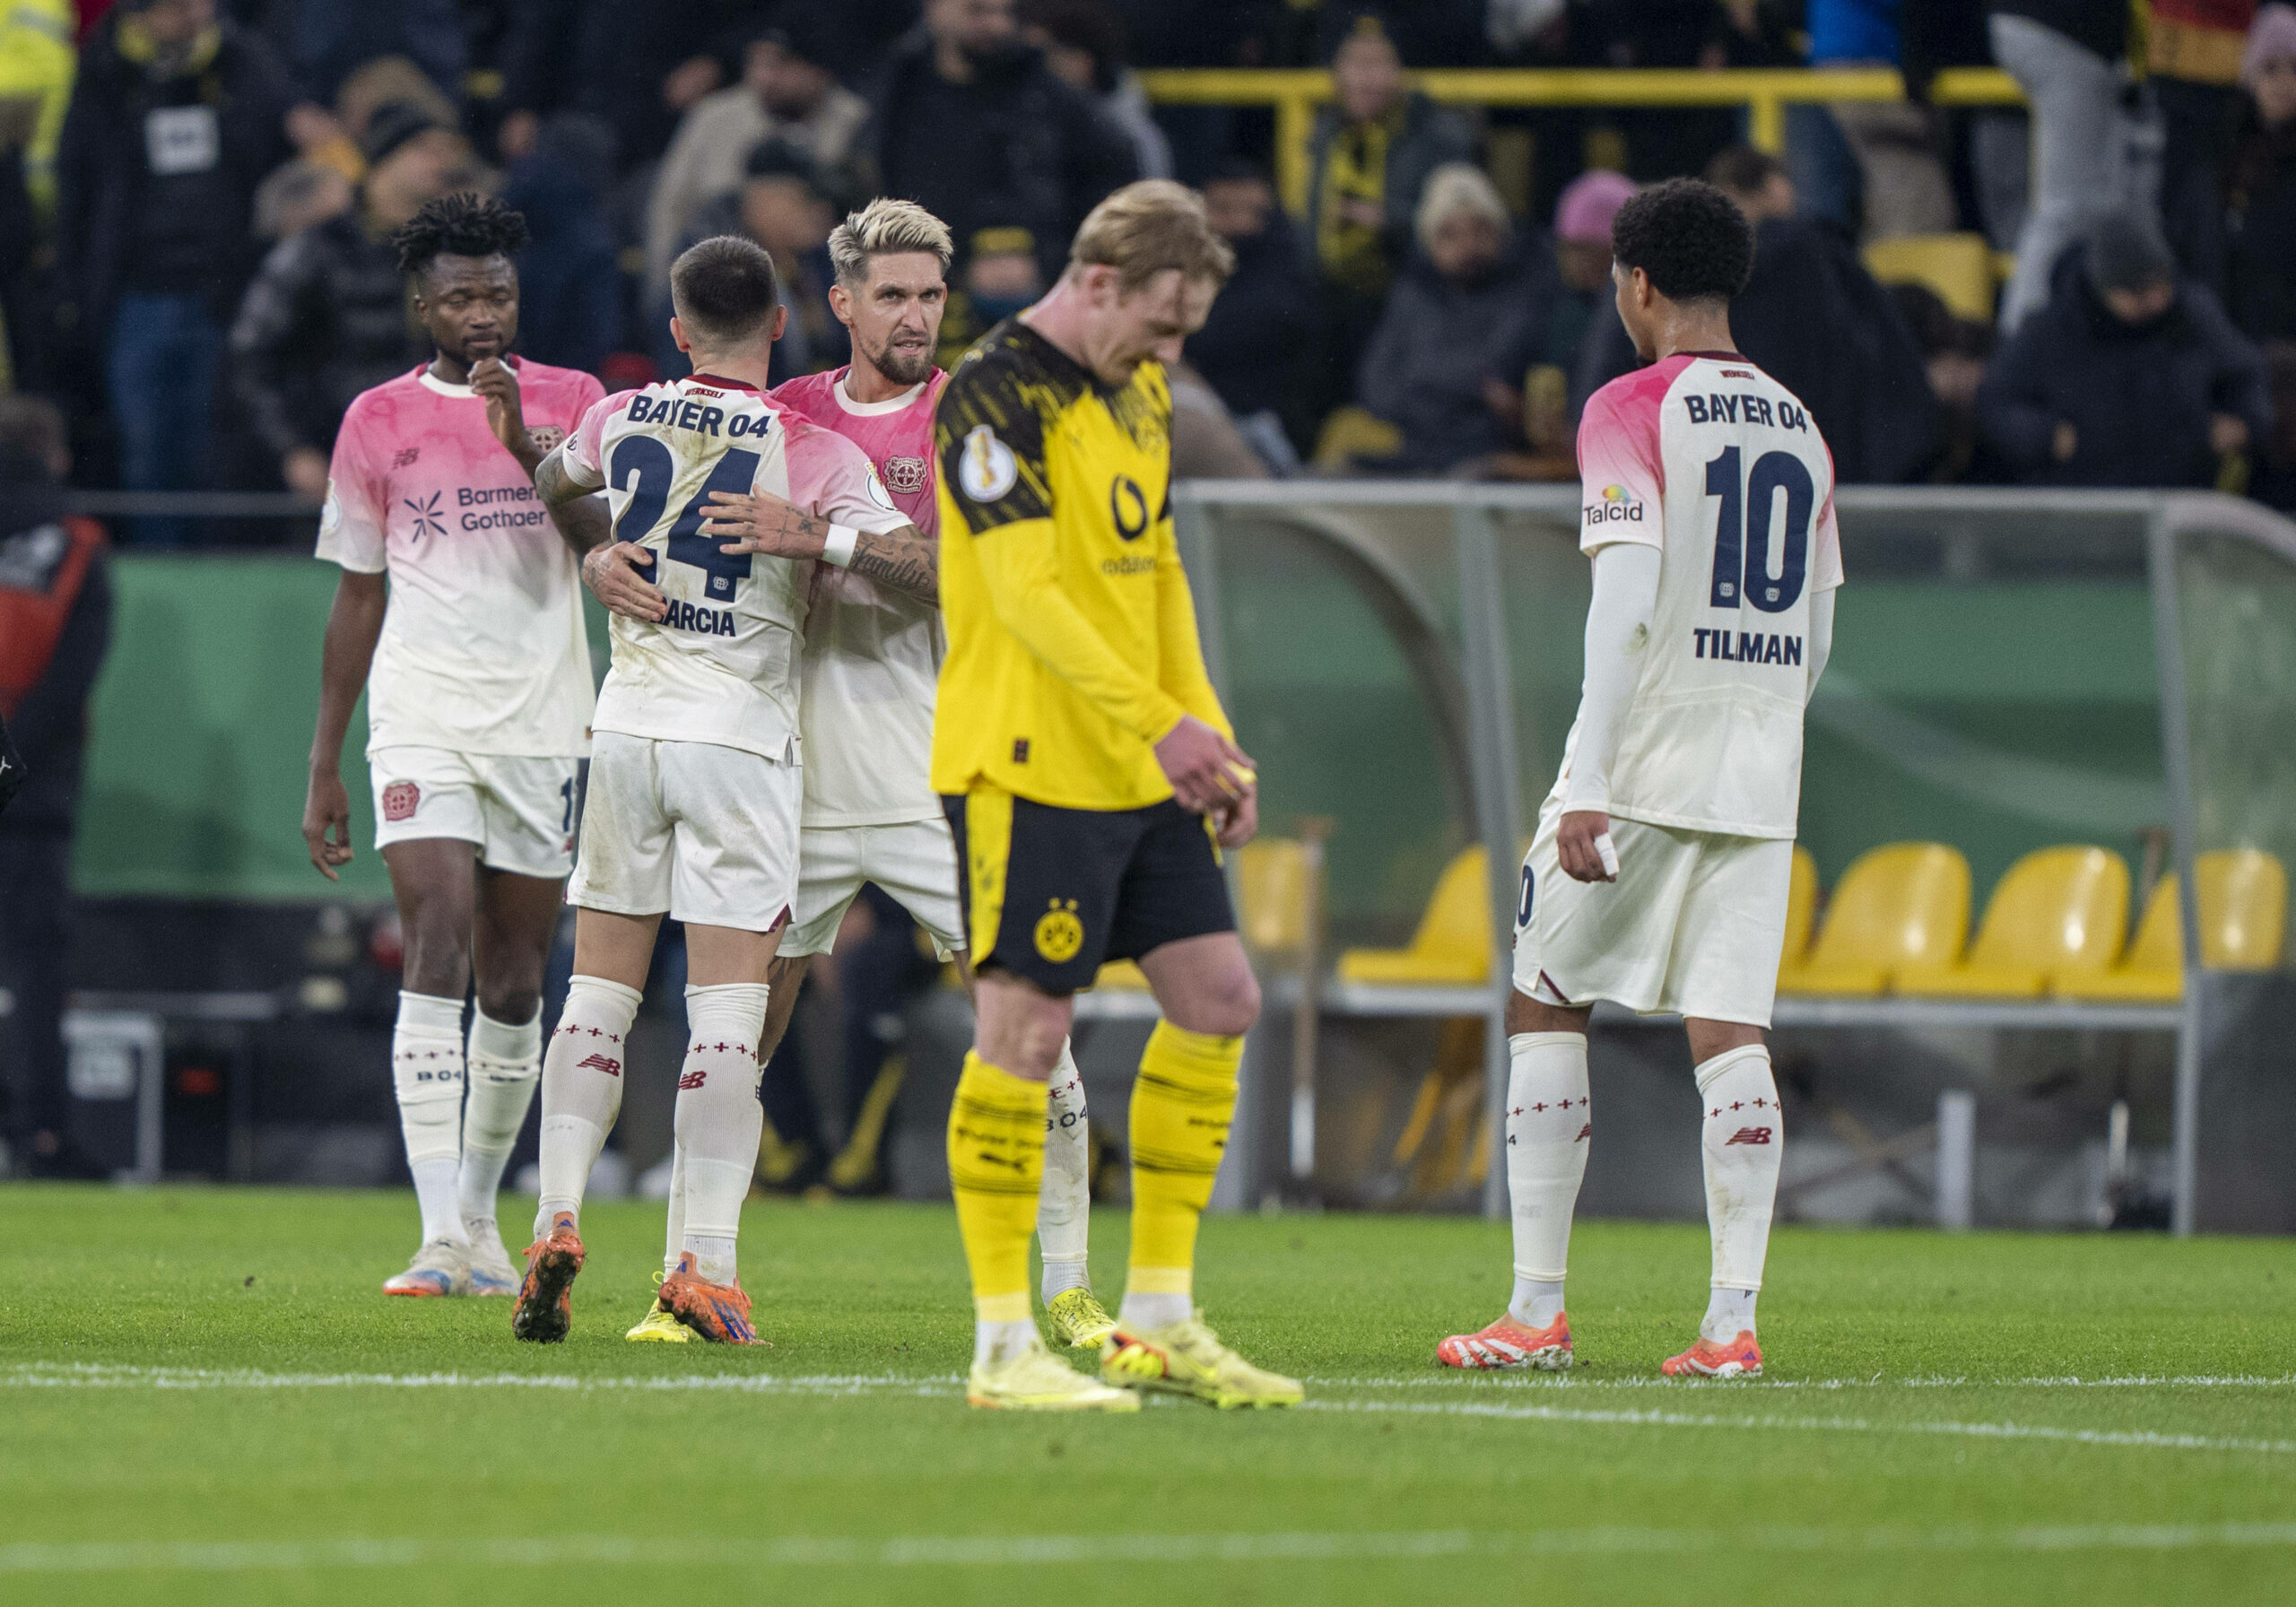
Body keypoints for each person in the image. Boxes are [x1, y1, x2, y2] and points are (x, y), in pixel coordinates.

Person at [587, 198, 1118, 1351]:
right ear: (840, 303)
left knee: (1032, 1029)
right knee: (738, 1034)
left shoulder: (980, 416)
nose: (916, 315)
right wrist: (598, 557)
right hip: (790, 782)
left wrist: (817, 536)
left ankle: (1072, 1287)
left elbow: (978, 577)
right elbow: (644, 521)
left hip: (938, 774)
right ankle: (693, 1278)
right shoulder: (779, 415)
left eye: (931, 295)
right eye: (893, 295)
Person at [1437, 178, 1840, 1380]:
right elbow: (1818, 630)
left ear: (1640, 284)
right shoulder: (1800, 424)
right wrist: (1758, 730)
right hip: (1759, 769)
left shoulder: (1628, 406)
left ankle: (1536, 1311)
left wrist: (1590, 778)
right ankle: (1730, 1326)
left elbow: (1621, 605)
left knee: (1546, 992)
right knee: (1731, 1032)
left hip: (1645, 761)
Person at [931, 179, 1296, 1411]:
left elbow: (1158, 568)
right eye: (1160, 322)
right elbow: (1026, 594)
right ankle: (1002, 1348)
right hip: (1027, 763)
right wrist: (1161, 723)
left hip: (1140, 769)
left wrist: (1209, 735)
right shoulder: (992, 395)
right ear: (1096, 284)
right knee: (1026, 1035)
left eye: (1185, 329)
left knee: (1220, 999)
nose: (1170, 351)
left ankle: (1159, 1316)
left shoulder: (1138, 389)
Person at [517, 235, 917, 1346]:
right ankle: (705, 1262)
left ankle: (554, 1220)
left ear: (677, 328)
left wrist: (597, 554)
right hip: (739, 739)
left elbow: (551, 482)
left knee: (597, 994)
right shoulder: (813, 447)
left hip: (627, 728)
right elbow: (918, 570)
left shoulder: (617, 417)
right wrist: (829, 538)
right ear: (781, 325)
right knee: (730, 1010)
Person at [300, 194, 609, 1298]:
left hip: (543, 725)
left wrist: (526, 442)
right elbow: (358, 593)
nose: (483, 314)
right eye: (461, 297)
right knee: (434, 940)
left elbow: (603, 546)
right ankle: (436, 1234)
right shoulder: (375, 419)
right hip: (422, 716)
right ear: (421, 306)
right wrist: (325, 761)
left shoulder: (575, 402)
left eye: (499, 295)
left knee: (516, 980)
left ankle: (480, 1222)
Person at [57, 0, 301, 543]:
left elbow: (274, 158)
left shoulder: (245, 64)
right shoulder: (105, 70)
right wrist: (76, 288)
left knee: (212, 446)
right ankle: (159, 562)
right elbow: (78, 184)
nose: (193, 14)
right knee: (145, 446)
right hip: (134, 297)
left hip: (226, 294)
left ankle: (212, 565)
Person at [231, 100, 463, 499]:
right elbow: (252, 355)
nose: (441, 163)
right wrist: (293, 450)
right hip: (337, 464)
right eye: (424, 149)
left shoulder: (455, 255)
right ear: (385, 160)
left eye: (445, 151)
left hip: (435, 472)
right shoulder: (319, 249)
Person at [0, 395, 111, 1180]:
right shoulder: (78, 548)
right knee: (36, 970)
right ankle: (40, 1134)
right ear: (58, 457)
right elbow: (68, 686)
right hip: (34, 801)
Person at [1976, 210, 2272, 488]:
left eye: (2162, 284)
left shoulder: (2193, 313)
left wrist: (2243, 421)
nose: (2156, 299)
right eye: (2138, 292)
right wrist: (2044, 436)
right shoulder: (2051, 329)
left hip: (2183, 494)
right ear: (2105, 289)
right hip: (2083, 499)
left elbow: (2246, 373)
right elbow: (1997, 400)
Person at [859, 0, 1138, 292]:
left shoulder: (1046, 96)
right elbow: (868, 185)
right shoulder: (897, 95)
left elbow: (1114, 177)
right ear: (936, 9)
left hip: (1038, 291)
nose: (997, 25)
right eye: (977, 10)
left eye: (1006, 12)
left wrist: (1056, 263)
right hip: (919, 287)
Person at [1304, 7, 1472, 418]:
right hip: (1333, 296)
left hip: (1408, 291)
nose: (1367, 79)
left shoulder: (1439, 135)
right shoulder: (1325, 135)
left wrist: (1387, 222)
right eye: (1355, 63)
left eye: (1379, 63)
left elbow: (1460, 232)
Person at [643, 17, 870, 310]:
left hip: (825, 290)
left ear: (818, 71)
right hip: (719, 289)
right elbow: (671, 208)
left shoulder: (854, 122)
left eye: (780, 65)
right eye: (756, 64)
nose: (765, 78)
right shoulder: (714, 118)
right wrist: (662, 294)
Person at [1354, 162, 1544, 472]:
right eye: (1449, 234)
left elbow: (1499, 370)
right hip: (1410, 444)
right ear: (1428, 242)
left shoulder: (1524, 293)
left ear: (1501, 233)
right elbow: (1376, 383)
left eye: (1480, 230)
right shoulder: (1411, 295)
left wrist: (1428, 385)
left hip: (1489, 454)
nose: (1467, 246)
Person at [1989, 1, 2138, 331]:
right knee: (2065, 209)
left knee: (2085, 205)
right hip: (2064, 31)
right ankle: (2020, 337)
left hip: (2034, 27)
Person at [1485, 169, 1634, 476]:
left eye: (1588, 249)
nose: (1574, 261)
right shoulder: (1552, 302)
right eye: (1568, 247)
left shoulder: (1636, 316)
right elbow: (1503, 375)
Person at [1183, 161, 1318, 454]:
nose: (1240, 223)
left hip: (1269, 424)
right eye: (1223, 209)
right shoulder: (1183, 263)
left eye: (1254, 212)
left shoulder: (1286, 271)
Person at [1021, 0, 1174, 179]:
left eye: (1043, 55)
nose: (1032, 67)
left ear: (1083, 59)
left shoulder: (1129, 135)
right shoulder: (1023, 119)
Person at [2225, 6, 2296, 343]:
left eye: (2295, 69)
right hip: (2231, 329)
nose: (2284, 81)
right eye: (2270, 68)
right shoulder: (2226, 152)